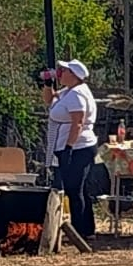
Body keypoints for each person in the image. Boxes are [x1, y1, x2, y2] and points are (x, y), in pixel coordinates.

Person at [42, 59, 97, 239]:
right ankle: (85, 229)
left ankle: (81, 231)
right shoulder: (68, 92)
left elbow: (78, 123)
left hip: (78, 147)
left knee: (75, 189)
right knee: (75, 188)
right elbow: (48, 100)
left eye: (63, 71)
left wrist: (68, 148)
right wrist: (48, 83)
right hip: (69, 145)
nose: (60, 73)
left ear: (73, 75)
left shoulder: (77, 95)